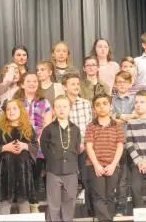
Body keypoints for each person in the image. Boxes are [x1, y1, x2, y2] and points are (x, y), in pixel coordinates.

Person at [13, 72, 52, 212]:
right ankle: (22, 208)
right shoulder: (16, 102)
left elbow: (47, 125)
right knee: (21, 177)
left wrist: (38, 143)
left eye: (35, 81)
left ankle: (34, 208)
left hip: (37, 147)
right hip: (19, 145)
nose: (32, 83)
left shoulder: (44, 102)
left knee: (35, 177)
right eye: (29, 81)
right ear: (22, 84)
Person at [40, 95, 81, 221]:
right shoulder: (48, 129)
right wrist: (53, 160)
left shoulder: (75, 129)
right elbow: (44, 148)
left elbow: (76, 148)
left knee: (69, 201)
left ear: (70, 109)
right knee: (53, 203)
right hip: (53, 170)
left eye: (64, 106)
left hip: (71, 170)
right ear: (53, 110)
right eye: (58, 107)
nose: (61, 109)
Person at [85, 93, 124, 222]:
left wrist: (113, 165)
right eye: (98, 105)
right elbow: (89, 147)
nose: (101, 107)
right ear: (93, 109)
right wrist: (96, 165)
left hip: (112, 166)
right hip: (95, 166)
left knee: (110, 195)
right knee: (99, 196)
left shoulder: (117, 126)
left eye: (105, 104)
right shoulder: (91, 126)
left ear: (111, 106)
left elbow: (120, 147)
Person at [0, 99, 38, 214]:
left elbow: (35, 146)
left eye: (14, 108)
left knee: (24, 201)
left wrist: (25, 146)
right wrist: (5, 148)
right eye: (8, 109)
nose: (11, 111)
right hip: (5, 173)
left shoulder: (28, 129)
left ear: (21, 111)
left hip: (23, 171)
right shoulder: (0, 130)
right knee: (5, 202)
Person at [62, 73, 93, 215]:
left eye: (77, 84)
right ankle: (69, 214)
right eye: (72, 84)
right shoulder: (61, 104)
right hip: (67, 148)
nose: (76, 86)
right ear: (64, 87)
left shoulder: (86, 104)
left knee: (88, 180)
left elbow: (89, 126)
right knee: (69, 182)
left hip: (85, 147)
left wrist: (84, 143)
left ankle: (90, 213)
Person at [112, 71, 136, 216]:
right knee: (121, 178)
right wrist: (128, 117)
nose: (122, 84)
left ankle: (136, 208)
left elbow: (138, 114)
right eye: (119, 82)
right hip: (117, 144)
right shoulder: (111, 100)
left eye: (125, 82)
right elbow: (111, 119)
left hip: (133, 142)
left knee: (135, 179)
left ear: (130, 83)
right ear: (115, 84)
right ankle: (121, 208)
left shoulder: (134, 99)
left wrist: (120, 117)